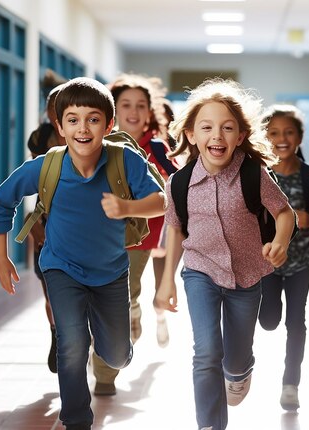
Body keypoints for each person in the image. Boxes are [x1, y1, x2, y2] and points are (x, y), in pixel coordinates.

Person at [0, 77, 166, 430]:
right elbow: (0, 203)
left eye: (93, 119)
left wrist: (128, 206)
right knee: (72, 343)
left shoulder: (125, 159)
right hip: (61, 268)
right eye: (73, 120)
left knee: (115, 354)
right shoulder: (46, 166)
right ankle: (76, 420)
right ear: (60, 125)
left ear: (108, 125)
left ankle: (112, 343)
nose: (83, 128)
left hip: (112, 271)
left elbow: (161, 201)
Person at [154, 78, 297, 430]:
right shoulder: (180, 182)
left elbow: (284, 213)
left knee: (234, 358)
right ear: (190, 134)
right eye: (207, 127)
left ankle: (240, 370)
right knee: (205, 353)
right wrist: (167, 281)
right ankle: (210, 425)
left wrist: (280, 242)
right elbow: (174, 229)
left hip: (247, 276)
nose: (216, 136)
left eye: (227, 128)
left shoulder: (254, 175)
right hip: (199, 272)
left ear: (239, 137)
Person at [89, 73, 178, 396]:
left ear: (150, 112)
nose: (134, 111)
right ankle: (116, 330)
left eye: (141, 105)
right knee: (94, 298)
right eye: (125, 104)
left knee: (124, 295)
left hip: (139, 238)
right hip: (92, 236)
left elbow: (176, 191)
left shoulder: (157, 147)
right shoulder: (94, 141)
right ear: (112, 110)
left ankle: (104, 373)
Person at [258, 104, 309, 411]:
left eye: (288, 132)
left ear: (299, 137)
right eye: (273, 133)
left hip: (301, 262)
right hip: (266, 264)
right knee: (269, 320)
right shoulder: (259, 174)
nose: (281, 139)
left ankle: (290, 384)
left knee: (296, 322)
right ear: (264, 136)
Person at [26, 83, 66, 374]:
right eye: (52, 111)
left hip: (83, 225)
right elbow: (34, 181)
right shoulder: (40, 139)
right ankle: (58, 334)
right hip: (46, 222)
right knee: (50, 294)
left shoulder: (92, 134)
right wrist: (33, 224)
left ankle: (77, 337)